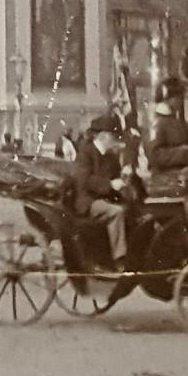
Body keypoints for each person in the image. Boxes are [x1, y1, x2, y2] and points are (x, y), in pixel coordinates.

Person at [67, 114, 129, 268]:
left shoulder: (111, 156)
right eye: (113, 136)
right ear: (103, 136)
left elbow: (117, 178)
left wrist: (125, 180)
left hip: (106, 198)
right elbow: (84, 180)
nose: (116, 140)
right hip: (88, 201)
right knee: (116, 212)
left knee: (134, 209)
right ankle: (119, 258)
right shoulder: (85, 153)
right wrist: (110, 185)